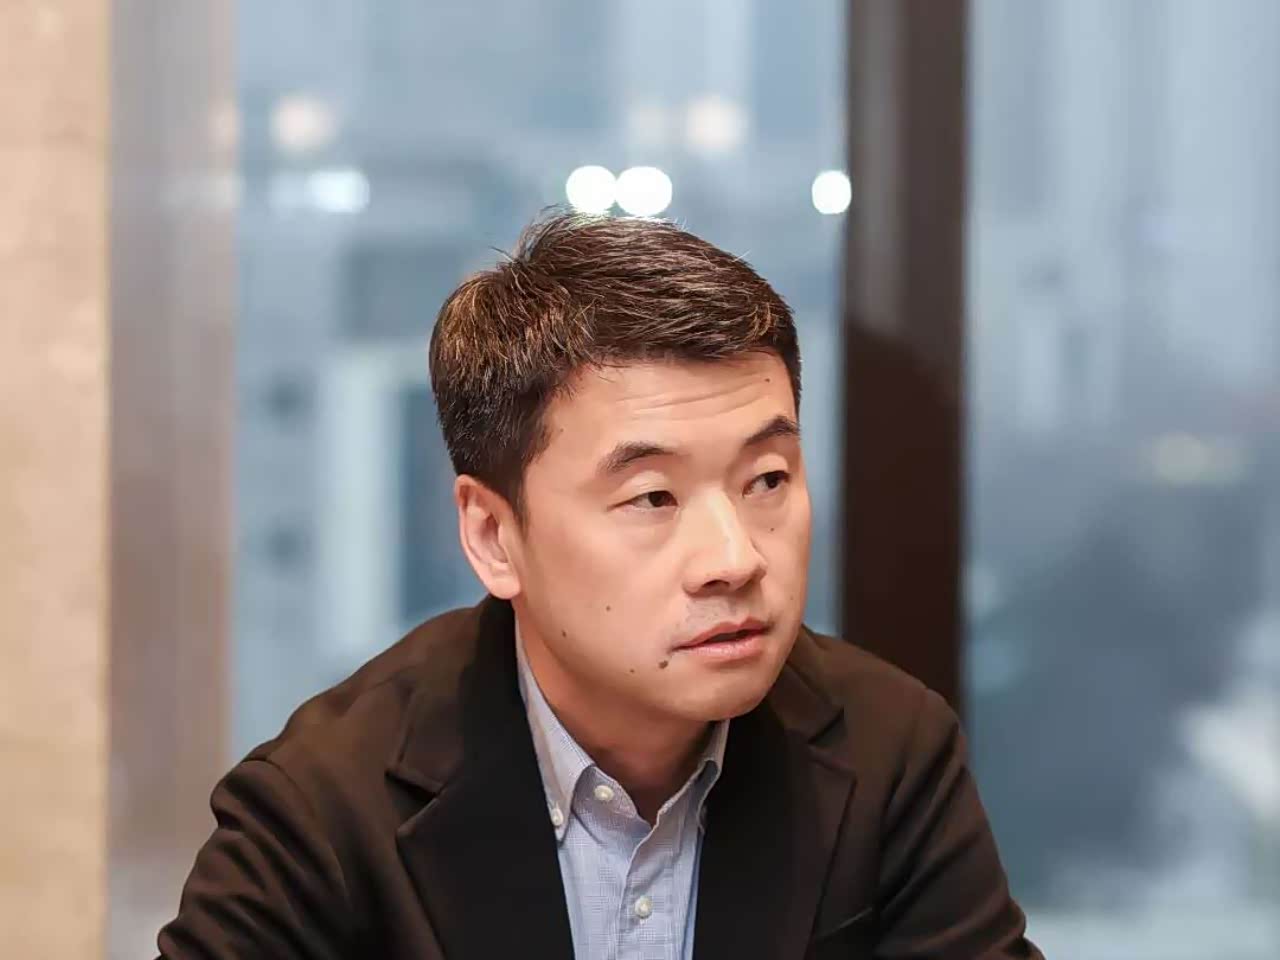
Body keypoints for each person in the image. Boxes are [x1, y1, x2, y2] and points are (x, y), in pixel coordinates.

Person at [157, 212, 1042, 959]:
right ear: (493, 535)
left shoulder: (890, 755)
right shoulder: (323, 812)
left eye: (767, 479)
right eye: (653, 497)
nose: (735, 558)